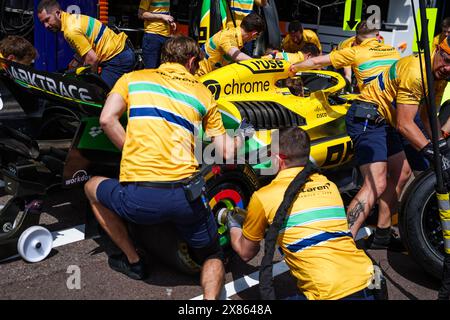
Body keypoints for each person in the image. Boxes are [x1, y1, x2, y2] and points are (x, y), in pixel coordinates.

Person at [84, 35, 251, 299]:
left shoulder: (132, 78)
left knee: (91, 187)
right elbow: (226, 152)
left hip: (138, 199)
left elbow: (106, 120)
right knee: (211, 255)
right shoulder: (202, 92)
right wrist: (242, 135)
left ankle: (134, 261)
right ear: (192, 61)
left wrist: (133, 152)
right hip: (184, 198)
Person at [228, 127, 377, 300]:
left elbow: (246, 252)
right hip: (369, 281)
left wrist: (233, 224)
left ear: (278, 159)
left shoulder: (264, 197)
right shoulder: (330, 186)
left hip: (329, 294)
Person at [342, 37, 450, 246]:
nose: (447, 68)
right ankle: (342, 242)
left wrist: (442, 147)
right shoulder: (416, 72)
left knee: (402, 173)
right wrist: (432, 153)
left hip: (387, 119)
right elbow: (405, 124)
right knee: (376, 181)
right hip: (367, 114)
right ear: (437, 50)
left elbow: (427, 115)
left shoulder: (439, 75)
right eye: (446, 59)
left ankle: (381, 236)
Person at [37, 0, 135, 89]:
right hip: (121, 53)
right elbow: (88, 46)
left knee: (98, 95)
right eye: (43, 23)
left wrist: (90, 85)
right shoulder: (72, 19)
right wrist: (75, 63)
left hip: (117, 59)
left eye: (47, 20)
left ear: (58, 13)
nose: (46, 25)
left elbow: (92, 59)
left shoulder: (70, 31)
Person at [290, 21, 399, 92]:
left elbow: (316, 61)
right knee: (340, 84)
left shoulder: (357, 50)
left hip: (349, 59)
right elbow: (347, 65)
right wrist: (348, 81)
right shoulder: (393, 50)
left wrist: (293, 67)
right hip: (337, 62)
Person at [196, 12, 265, 77]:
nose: (255, 38)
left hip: (209, 77)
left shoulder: (237, 38)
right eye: (257, 36)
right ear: (254, 34)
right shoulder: (228, 36)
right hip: (199, 77)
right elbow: (236, 55)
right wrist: (255, 63)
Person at [138, 0, 176, 69]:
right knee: (150, 70)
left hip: (166, 36)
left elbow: (164, 13)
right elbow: (141, 14)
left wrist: (170, 21)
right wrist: (161, 16)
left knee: (164, 68)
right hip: (152, 36)